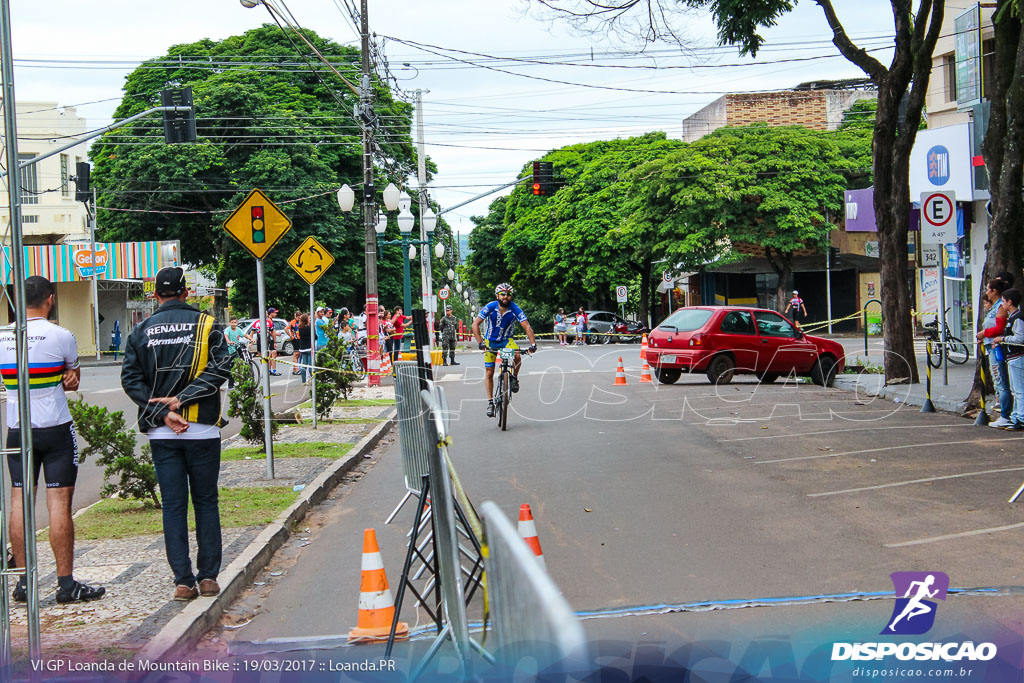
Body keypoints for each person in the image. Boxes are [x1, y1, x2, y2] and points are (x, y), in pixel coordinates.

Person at [121, 266, 232, 601]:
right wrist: (182, 400)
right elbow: (221, 369)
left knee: (173, 505)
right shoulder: (208, 325)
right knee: (206, 501)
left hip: (162, 433)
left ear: (156, 295)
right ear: (186, 292)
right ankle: (209, 576)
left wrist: (163, 413)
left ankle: (183, 582)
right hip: (202, 429)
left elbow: (131, 380)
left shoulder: (140, 331)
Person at [1, 276, 105, 604]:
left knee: (19, 502)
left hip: (18, 429)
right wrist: (67, 376)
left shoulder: (2, 337)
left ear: (17, 301)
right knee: (59, 504)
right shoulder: (63, 336)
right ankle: (65, 583)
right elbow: (72, 380)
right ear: (49, 299)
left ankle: (23, 582)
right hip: (55, 428)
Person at [473, 283, 537, 417]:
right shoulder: (490, 307)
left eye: (508, 294)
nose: (505, 297)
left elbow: (527, 326)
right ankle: (490, 402)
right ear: (497, 295)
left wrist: (533, 344)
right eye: (502, 294)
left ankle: (514, 377)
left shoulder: (515, 308)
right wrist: (480, 343)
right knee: (489, 372)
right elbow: (475, 324)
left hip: (507, 340)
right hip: (490, 341)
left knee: (518, 356)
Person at [977, 278, 1013, 427]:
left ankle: (1006, 415)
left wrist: (984, 333)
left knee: (1001, 381)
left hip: (997, 348)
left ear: (994, 291)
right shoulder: (994, 307)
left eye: (988, 289)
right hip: (990, 346)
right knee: (999, 382)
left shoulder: (1000, 307)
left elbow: (999, 328)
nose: (986, 292)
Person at [992, 288, 1024, 431]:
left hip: (1017, 357)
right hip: (1012, 357)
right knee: (1015, 389)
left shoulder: (1017, 318)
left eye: (1004, 302)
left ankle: (1021, 418)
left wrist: (1003, 339)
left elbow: (1019, 338)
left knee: (1019, 390)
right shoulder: (1012, 318)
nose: (1002, 305)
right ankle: (1016, 416)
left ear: (1010, 302)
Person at [223, 317, 252, 389]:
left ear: (237, 323)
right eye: (232, 322)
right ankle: (231, 385)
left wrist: (251, 339)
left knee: (247, 357)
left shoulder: (238, 329)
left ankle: (249, 372)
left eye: (235, 322)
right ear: (230, 323)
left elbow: (244, 335)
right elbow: (226, 336)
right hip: (230, 349)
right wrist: (229, 341)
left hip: (237, 347)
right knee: (232, 366)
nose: (233, 324)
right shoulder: (228, 330)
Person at [252, 307, 280, 375]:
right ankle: (267, 369)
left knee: (271, 354)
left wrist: (275, 341)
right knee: (263, 355)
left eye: (266, 313)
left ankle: (272, 370)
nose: (266, 315)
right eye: (274, 312)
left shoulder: (269, 322)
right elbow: (252, 332)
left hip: (269, 340)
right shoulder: (257, 323)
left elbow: (272, 331)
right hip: (262, 340)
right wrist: (251, 341)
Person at [297, 313, 313, 385]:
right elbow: (314, 336)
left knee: (304, 364)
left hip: (302, 348)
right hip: (309, 347)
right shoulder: (309, 328)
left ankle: (303, 380)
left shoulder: (300, 328)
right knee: (310, 364)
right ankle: (312, 379)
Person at [287, 311, 302, 375]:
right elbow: (286, 329)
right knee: (296, 354)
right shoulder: (292, 322)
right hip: (295, 339)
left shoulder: (300, 322)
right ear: (295, 317)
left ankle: (295, 369)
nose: (298, 319)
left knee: (298, 355)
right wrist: (291, 336)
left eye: (299, 317)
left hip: (299, 339)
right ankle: (296, 369)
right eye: (297, 317)